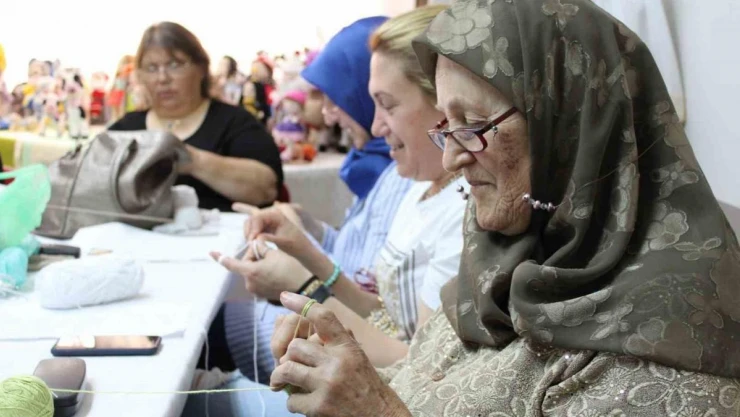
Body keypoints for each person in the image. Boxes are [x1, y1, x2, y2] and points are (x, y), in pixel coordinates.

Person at [182, 1, 740, 416]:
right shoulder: (511, 252)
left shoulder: (665, 348)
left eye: (473, 126)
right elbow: (419, 364)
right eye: (447, 126)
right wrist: (339, 353)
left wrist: (374, 409)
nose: (451, 158)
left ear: (573, 130)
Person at [194, 16, 414, 384]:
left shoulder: (407, 175)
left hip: (346, 348)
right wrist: (306, 228)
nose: (326, 113)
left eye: (387, 104)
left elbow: (383, 320)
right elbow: (357, 257)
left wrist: (304, 282)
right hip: (341, 336)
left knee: (203, 331)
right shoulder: (390, 169)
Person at [108, 22, 283, 211]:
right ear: (140, 75)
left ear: (201, 68)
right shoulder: (125, 129)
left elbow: (267, 189)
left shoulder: (235, 123)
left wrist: (192, 160)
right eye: (151, 68)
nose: (162, 78)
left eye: (174, 65)